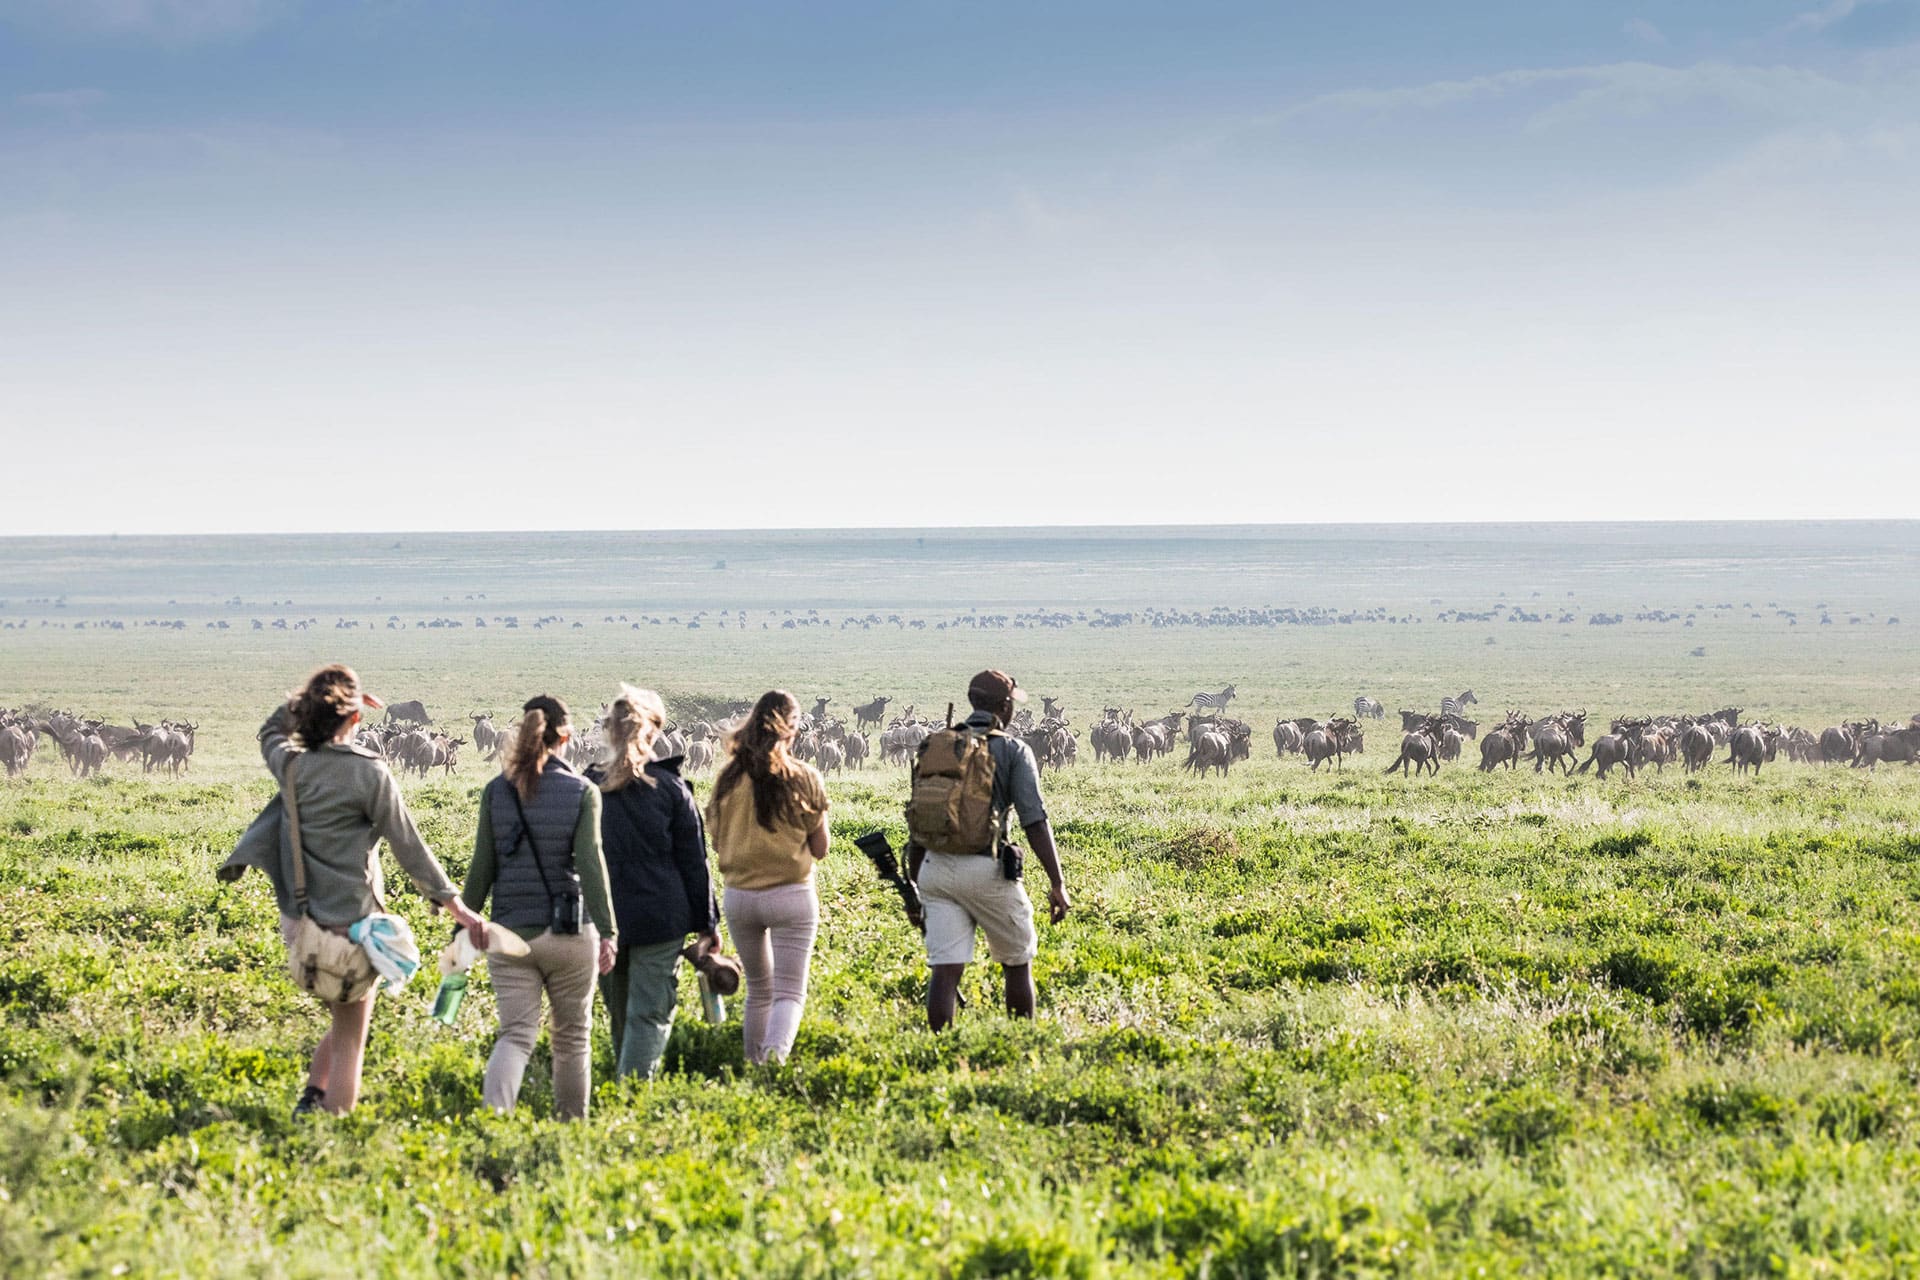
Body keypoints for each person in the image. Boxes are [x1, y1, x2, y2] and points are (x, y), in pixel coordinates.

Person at [254, 664, 487, 1117]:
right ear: (356, 720)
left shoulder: (291, 764)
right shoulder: (370, 773)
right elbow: (410, 847)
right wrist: (458, 907)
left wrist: (311, 703)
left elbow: (269, 730)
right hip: (350, 923)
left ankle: (311, 1097)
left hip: (300, 923)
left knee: (340, 1019)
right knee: (350, 1038)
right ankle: (333, 1133)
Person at [461, 694, 617, 1120]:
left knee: (514, 1036)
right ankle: (571, 1128)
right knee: (572, 1039)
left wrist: (462, 929)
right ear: (565, 736)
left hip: (509, 935)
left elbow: (480, 869)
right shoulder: (583, 792)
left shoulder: (496, 791)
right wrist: (608, 931)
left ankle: (495, 1120)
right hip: (570, 933)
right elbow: (592, 864)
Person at [906, 670, 1070, 1031]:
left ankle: (940, 1052)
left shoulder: (936, 744)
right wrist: (1057, 882)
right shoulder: (1012, 750)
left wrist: (915, 885)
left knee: (945, 971)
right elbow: (1034, 820)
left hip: (935, 868)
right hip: (987, 869)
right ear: (1005, 706)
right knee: (1016, 962)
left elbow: (919, 820)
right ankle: (1018, 1045)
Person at [587, 685, 721, 1080]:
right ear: (654, 733)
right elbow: (695, 863)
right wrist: (707, 924)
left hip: (603, 918)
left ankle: (619, 1093)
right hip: (661, 918)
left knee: (619, 1010)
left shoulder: (587, 787)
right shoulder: (672, 790)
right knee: (649, 1012)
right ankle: (632, 1100)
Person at [706, 690, 830, 1064]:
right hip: (791, 894)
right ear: (790, 730)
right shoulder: (804, 777)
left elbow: (715, 839)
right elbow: (821, 848)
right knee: (789, 992)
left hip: (740, 896)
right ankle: (773, 1063)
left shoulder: (727, 779)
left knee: (759, 989)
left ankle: (752, 1064)